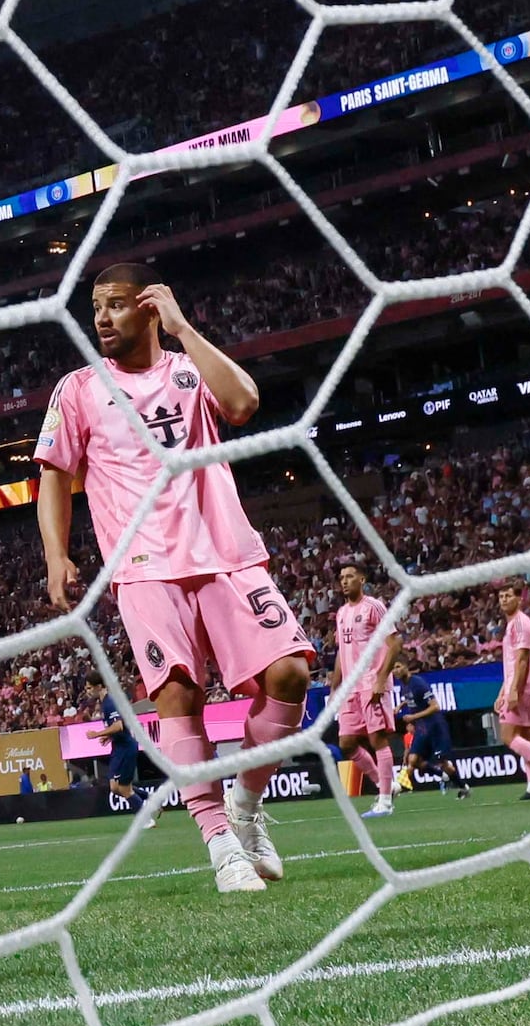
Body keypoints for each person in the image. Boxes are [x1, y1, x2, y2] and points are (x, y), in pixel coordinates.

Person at [37, 262, 311, 897]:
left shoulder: (189, 369)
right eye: (96, 307)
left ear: (150, 308)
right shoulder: (78, 388)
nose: (101, 318)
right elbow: (53, 472)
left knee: (292, 674)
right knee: (178, 696)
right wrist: (57, 552)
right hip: (144, 568)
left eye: (115, 305)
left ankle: (245, 807)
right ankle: (221, 845)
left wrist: (186, 329)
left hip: (226, 552)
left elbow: (243, 403)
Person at [326, 563, 402, 819]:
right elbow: (341, 652)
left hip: (371, 682)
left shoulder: (374, 606)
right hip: (350, 687)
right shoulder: (341, 613)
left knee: (377, 739)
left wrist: (381, 679)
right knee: (346, 744)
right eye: (341, 578)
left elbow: (395, 642)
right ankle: (386, 786)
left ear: (362, 579)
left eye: (350, 577)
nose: (345, 581)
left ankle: (385, 803)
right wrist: (335, 687)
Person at [492, 586, 530, 799]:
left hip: (523, 688)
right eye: (501, 596)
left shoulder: (519, 623)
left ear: (519, 599)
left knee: (508, 736)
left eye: (508, 595)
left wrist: (514, 690)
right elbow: (512, 663)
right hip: (527, 686)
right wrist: (502, 692)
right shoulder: (513, 624)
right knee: (526, 736)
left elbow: (522, 660)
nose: (504, 599)